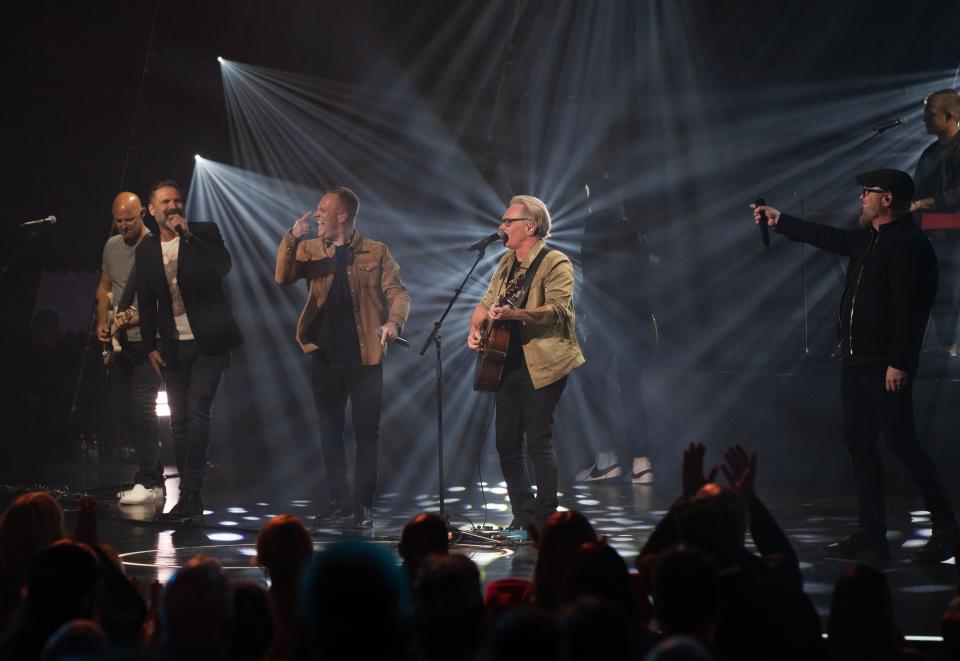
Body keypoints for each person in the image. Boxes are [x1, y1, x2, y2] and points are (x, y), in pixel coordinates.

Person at [753, 169, 960, 563]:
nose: (861, 198)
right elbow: (830, 238)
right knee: (859, 444)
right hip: (856, 359)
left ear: (888, 199)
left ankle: (947, 530)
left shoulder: (909, 244)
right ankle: (871, 533)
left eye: (868, 192)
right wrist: (782, 221)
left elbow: (912, 311)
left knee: (902, 443)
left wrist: (900, 362)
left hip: (885, 364)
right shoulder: (868, 238)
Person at [275, 187, 410, 529]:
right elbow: (282, 277)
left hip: (365, 358)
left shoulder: (376, 251)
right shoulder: (309, 249)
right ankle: (339, 500)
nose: (316, 214)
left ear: (342, 215)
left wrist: (394, 323)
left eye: (323, 209)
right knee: (329, 431)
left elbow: (398, 292)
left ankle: (363, 504)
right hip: (324, 355)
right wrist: (291, 238)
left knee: (367, 432)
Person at [467, 195, 584, 530]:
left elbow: (558, 310)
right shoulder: (506, 264)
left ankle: (546, 518)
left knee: (538, 441)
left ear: (529, 226)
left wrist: (517, 314)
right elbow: (485, 303)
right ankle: (523, 515)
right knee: (505, 442)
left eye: (508, 222)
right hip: (505, 363)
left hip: (544, 363)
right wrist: (475, 328)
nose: (501, 227)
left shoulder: (554, 261)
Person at [136, 180, 243, 521]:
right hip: (172, 345)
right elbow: (147, 302)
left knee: (198, 411)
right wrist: (150, 347)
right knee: (179, 422)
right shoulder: (147, 249)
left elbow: (223, 266)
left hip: (209, 341)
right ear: (151, 210)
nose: (173, 206)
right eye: (165, 202)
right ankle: (189, 499)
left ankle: (192, 493)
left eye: (177, 201)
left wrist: (189, 237)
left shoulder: (203, 232)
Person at [576, 173, 656, 484]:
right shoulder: (634, 230)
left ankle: (607, 459)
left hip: (609, 322)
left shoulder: (595, 226)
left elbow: (595, 278)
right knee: (631, 390)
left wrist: (582, 314)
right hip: (638, 320)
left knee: (592, 384)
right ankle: (641, 463)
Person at [95, 192, 164, 506]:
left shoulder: (154, 246)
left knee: (142, 407)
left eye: (129, 220)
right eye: (118, 220)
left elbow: (164, 295)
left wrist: (136, 316)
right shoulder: (111, 246)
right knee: (125, 414)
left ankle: (147, 479)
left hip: (149, 340)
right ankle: (156, 474)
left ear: (143, 216)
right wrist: (103, 321)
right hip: (119, 342)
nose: (123, 226)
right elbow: (105, 287)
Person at [911, 88, 960, 358]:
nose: (924, 120)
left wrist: (920, 204)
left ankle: (951, 352)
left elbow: (956, 195)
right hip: (929, 234)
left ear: (950, 116)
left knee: (950, 293)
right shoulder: (929, 153)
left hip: (955, 237)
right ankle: (939, 351)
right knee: (930, 291)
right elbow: (916, 190)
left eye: (930, 115)